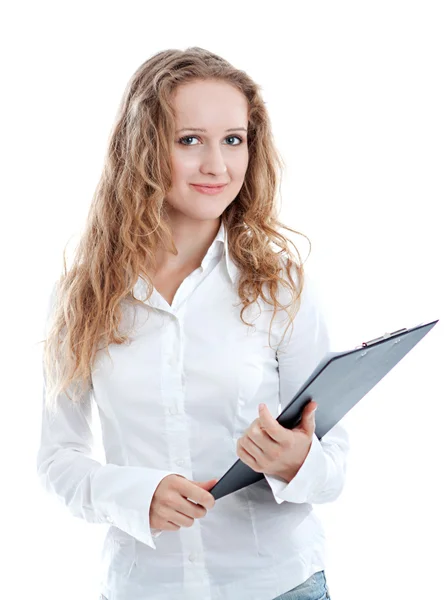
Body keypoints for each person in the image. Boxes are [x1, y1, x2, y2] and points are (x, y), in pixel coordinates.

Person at [36, 47, 349, 600]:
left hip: (279, 586)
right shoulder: (85, 292)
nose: (217, 165)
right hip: (143, 587)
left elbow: (334, 467)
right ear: (144, 150)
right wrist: (137, 494)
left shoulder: (282, 286)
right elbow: (59, 460)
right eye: (189, 140)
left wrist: (297, 462)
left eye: (233, 139)